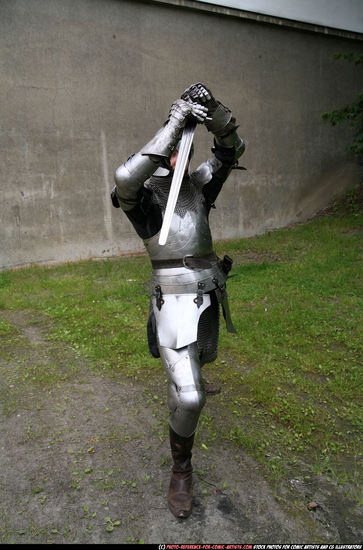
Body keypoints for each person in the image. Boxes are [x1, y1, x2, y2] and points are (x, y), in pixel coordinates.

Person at [111, 83, 245, 518]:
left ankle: (188, 379)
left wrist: (213, 112)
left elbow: (231, 150)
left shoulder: (198, 187)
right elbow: (124, 178)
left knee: (199, 369)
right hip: (174, 304)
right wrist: (174, 122)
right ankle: (181, 470)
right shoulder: (145, 200)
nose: (180, 155)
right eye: (173, 150)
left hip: (210, 295)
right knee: (189, 397)